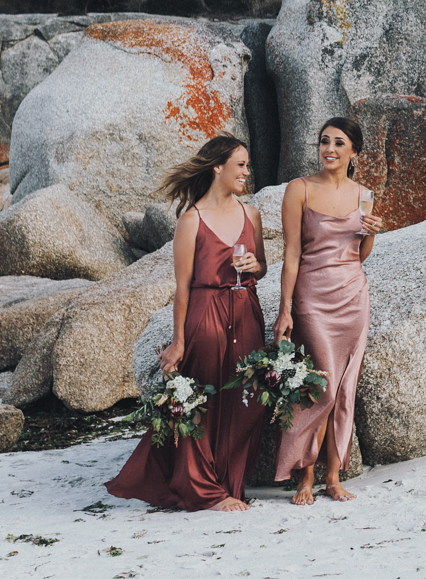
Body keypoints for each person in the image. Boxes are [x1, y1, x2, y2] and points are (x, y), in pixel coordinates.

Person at [107, 135, 267, 512]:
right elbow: (182, 288)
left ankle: (229, 482)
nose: (247, 171)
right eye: (240, 165)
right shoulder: (191, 220)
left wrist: (256, 266)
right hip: (206, 312)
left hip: (246, 311)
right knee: (204, 402)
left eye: (247, 165)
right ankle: (206, 491)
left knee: (247, 401)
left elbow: (262, 263)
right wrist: (178, 342)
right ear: (218, 167)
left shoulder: (252, 214)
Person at [273, 117, 384, 504]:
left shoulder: (365, 195)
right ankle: (304, 475)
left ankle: (333, 477)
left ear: (354, 151)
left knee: (343, 390)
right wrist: (285, 309)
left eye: (339, 143)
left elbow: (360, 254)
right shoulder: (298, 190)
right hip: (312, 298)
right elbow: (291, 254)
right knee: (318, 387)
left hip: (353, 296)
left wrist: (371, 231)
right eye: (324, 142)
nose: (330, 150)